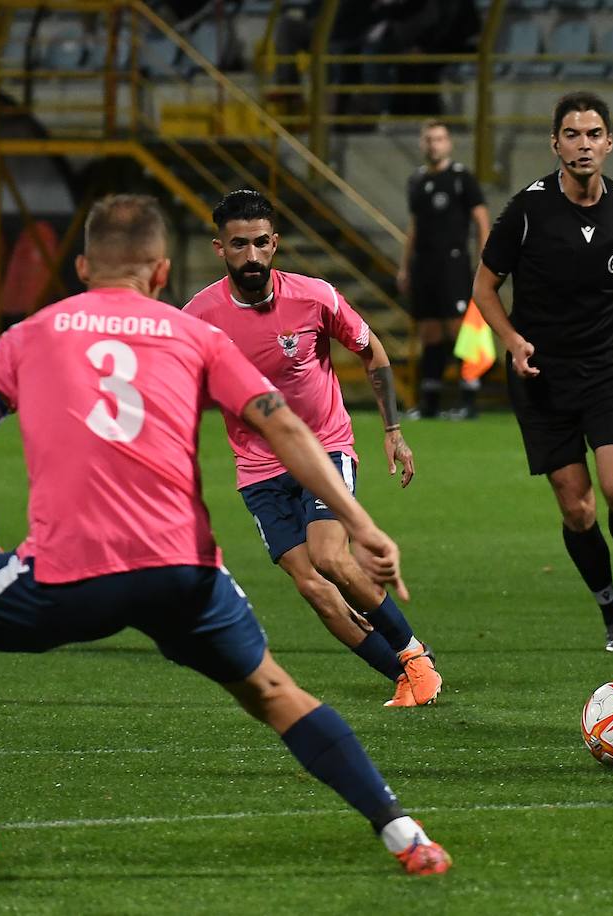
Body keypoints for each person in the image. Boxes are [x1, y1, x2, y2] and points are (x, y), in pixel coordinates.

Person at [0, 194, 449, 874]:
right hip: (184, 574)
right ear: (160, 271)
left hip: (69, 575)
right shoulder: (195, 334)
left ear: (85, 264)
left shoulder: (29, 336)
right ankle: (406, 835)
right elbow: (283, 426)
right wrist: (361, 522)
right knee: (276, 693)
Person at [185, 190, 442, 709]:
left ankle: (415, 656)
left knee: (329, 557)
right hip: (257, 468)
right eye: (240, 245)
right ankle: (403, 675)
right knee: (312, 587)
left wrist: (393, 429)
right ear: (220, 248)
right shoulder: (198, 316)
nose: (252, 256)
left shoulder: (314, 296)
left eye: (261, 243)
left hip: (324, 447)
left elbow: (373, 351)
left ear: (275, 242)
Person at [471, 92, 613, 653]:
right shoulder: (528, 212)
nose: (584, 144)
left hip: (608, 369)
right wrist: (511, 341)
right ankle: (610, 610)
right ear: (555, 144)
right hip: (542, 378)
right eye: (572, 135)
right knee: (578, 507)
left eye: (593, 134)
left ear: (610, 142)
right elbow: (484, 287)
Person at [397, 120, 491, 420]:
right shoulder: (416, 180)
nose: (433, 144)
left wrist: (485, 261)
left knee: (460, 329)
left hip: (454, 263)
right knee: (430, 332)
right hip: (424, 265)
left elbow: (481, 220)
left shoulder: (462, 178)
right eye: (428, 139)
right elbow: (413, 226)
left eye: (438, 139)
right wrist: (404, 267)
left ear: (448, 143)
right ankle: (430, 403)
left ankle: (468, 399)